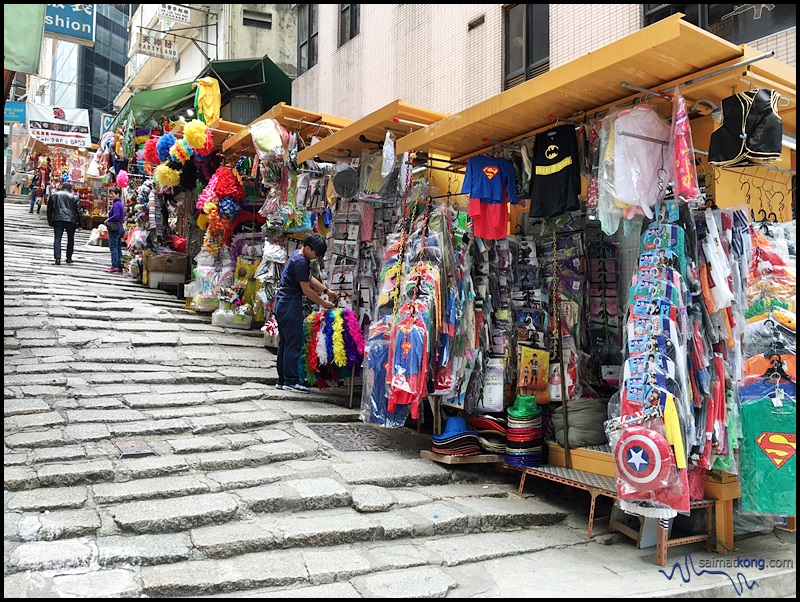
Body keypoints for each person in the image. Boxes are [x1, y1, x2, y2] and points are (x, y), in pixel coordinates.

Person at [274, 233, 338, 393]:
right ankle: (291, 381)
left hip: (282, 303)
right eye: (316, 253)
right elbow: (306, 290)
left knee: (285, 343)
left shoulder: (298, 255)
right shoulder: (301, 261)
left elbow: (308, 278)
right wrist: (324, 303)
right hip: (290, 304)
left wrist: (326, 290)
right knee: (293, 343)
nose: (316, 257)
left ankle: (282, 379)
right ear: (308, 248)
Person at [47, 182, 82, 265]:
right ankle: (69, 258)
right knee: (70, 239)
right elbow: (79, 212)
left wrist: (50, 220)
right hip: (71, 220)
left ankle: (57, 258)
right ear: (70, 190)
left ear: (62, 188)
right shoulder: (75, 197)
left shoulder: (54, 195)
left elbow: (49, 209)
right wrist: (80, 224)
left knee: (57, 238)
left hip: (58, 219)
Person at [104, 189, 126, 273]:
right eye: (110, 194)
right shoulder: (120, 204)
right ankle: (119, 266)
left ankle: (114, 266)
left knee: (113, 247)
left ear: (117, 194)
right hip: (120, 227)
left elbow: (116, 215)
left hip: (114, 228)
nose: (111, 195)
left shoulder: (116, 204)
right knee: (118, 248)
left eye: (112, 194)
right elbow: (123, 215)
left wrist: (108, 220)